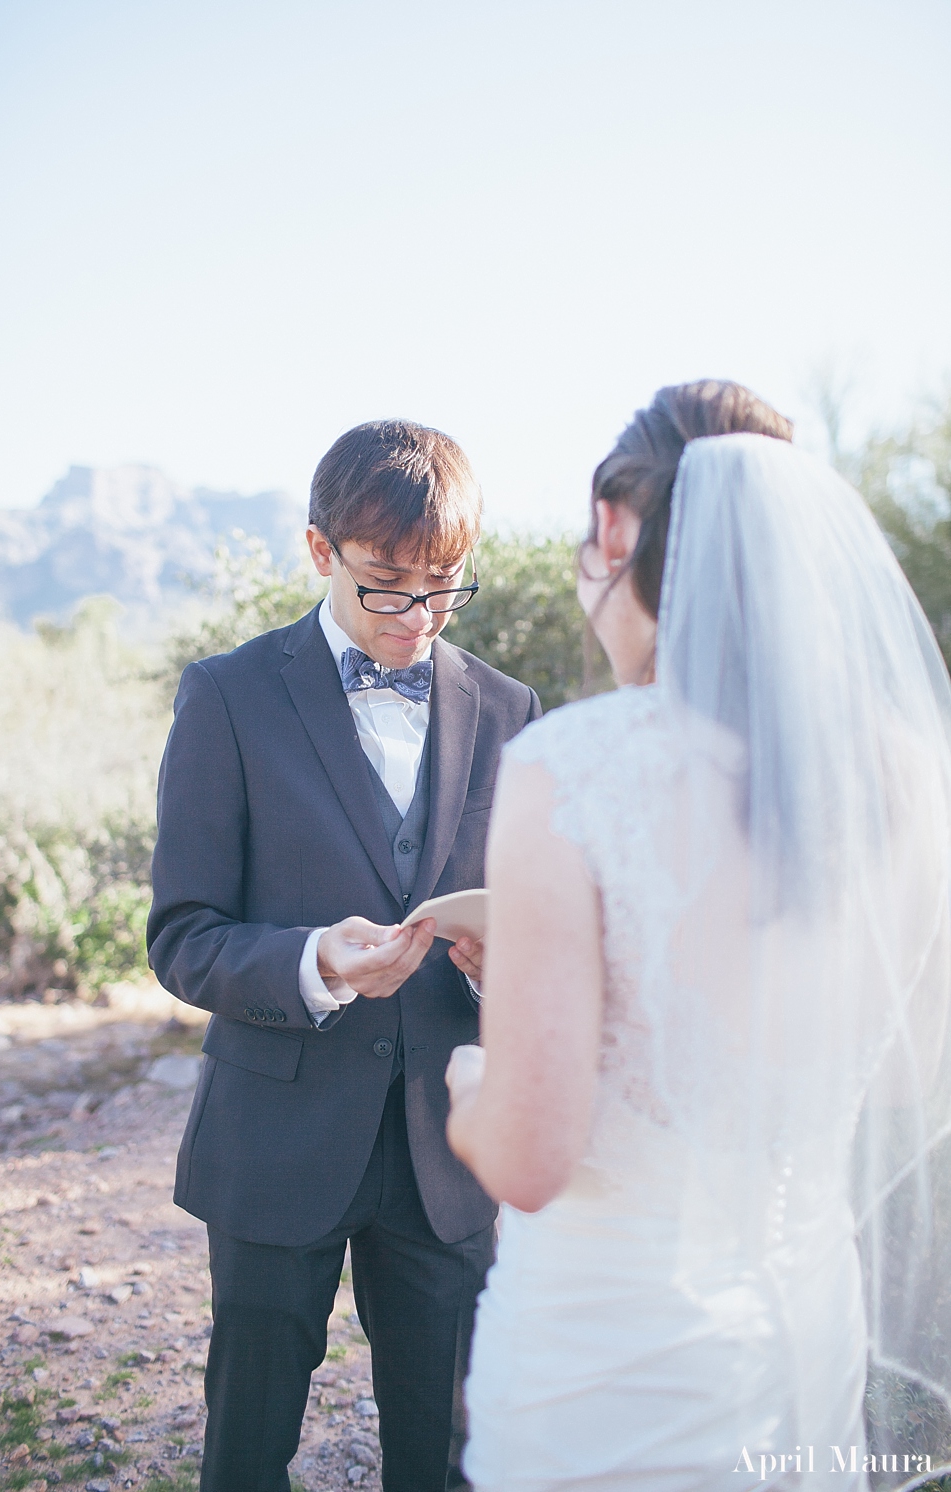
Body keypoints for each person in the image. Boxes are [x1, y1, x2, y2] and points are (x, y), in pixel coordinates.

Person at [446, 381, 951, 1491]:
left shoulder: (570, 767)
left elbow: (527, 1158)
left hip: (610, 1354)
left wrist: (473, 1073)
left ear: (617, 531)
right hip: (805, 1318)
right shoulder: (909, 775)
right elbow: (913, 1071)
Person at [147, 418, 541, 1492]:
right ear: (320, 550)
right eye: (385, 584)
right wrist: (314, 960)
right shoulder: (226, 697)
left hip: (447, 1153)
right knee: (246, 1453)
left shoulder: (510, 711)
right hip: (275, 1142)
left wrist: (502, 967)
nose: (417, 616)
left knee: (453, 1460)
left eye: (443, 586)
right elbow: (180, 935)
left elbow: (536, 932)